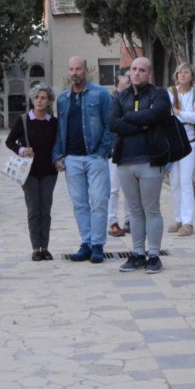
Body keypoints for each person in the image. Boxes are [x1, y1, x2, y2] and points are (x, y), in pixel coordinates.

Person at [108, 57, 172, 274]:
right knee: (134, 211)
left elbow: (157, 114)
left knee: (151, 209)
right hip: (125, 161)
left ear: (149, 73)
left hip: (151, 161)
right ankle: (137, 253)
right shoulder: (120, 97)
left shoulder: (159, 94)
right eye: (133, 69)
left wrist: (129, 118)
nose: (136, 73)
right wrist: (141, 123)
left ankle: (154, 255)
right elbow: (113, 123)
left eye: (141, 70)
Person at [54, 57, 114, 263]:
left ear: (86, 70)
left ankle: (98, 245)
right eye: (71, 69)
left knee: (99, 201)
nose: (74, 73)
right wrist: (58, 156)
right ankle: (86, 243)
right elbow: (59, 130)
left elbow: (111, 124)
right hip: (72, 159)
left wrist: (103, 151)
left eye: (78, 68)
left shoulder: (101, 94)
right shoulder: (62, 99)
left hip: (95, 157)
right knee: (80, 204)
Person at [8, 84, 60, 262]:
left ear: (49, 101)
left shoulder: (53, 122)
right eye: (37, 97)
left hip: (49, 172)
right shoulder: (23, 120)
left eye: (43, 97)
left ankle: (45, 247)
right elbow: (9, 142)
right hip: (28, 173)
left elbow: (58, 145)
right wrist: (22, 150)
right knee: (33, 210)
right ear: (32, 99)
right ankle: (35, 248)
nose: (39, 100)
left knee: (45, 210)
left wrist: (60, 159)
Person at [167, 63, 195, 237]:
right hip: (173, 142)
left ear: (192, 75)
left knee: (186, 182)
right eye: (179, 72)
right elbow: (168, 114)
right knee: (174, 182)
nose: (182, 75)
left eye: (186, 72)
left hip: (189, 143)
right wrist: (184, 114)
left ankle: (188, 222)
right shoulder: (170, 92)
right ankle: (179, 218)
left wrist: (178, 112)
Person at [107, 74, 131, 237]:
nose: (130, 78)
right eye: (126, 76)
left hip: (131, 148)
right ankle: (112, 221)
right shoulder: (110, 100)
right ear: (118, 80)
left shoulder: (134, 98)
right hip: (114, 148)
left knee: (130, 188)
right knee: (114, 188)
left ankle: (129, 220)